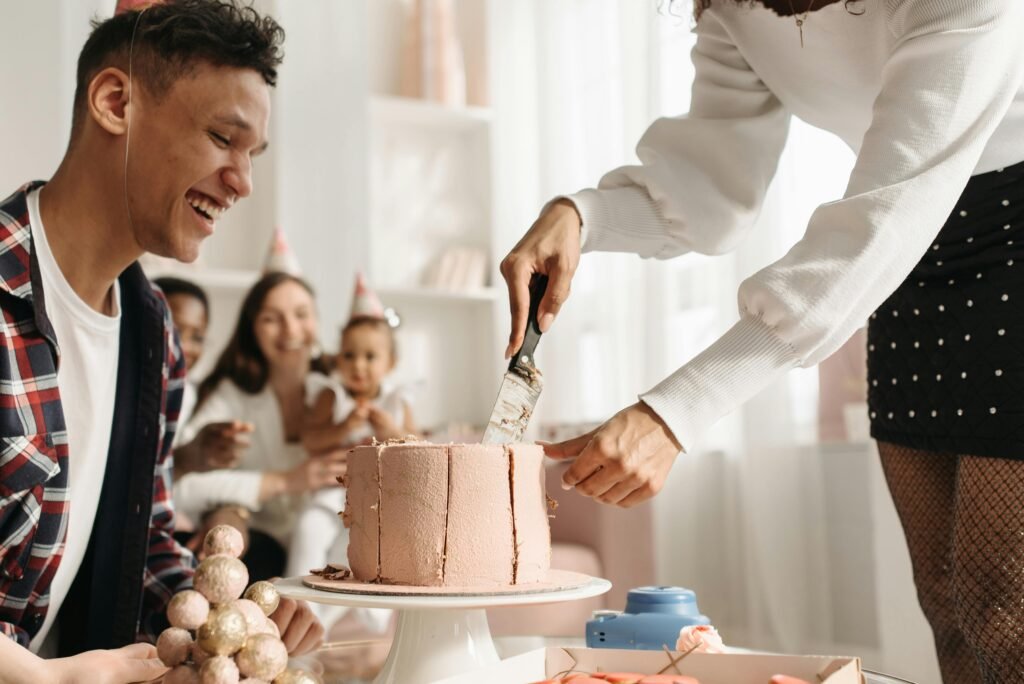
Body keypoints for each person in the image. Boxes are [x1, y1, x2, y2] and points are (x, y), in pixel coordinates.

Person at [499, 1, 1024, 681]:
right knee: (947, 608)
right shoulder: (736, 8)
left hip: (985, 238)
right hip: (908, 266)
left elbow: (881, 220)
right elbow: (709, 193)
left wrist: (675, 412)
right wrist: (581, 215)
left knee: (1002, 610)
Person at [0, 2, 324, 680]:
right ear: (116, 102)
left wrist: (230, 625)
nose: (243, 182)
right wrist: (42, 676)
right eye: (221, 137)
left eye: (252, 154)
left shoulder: (153, 335)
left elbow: (142, 548)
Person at [175, 272, 348, 581]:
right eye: (272, 318)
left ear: (317, 321)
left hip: (336, 554)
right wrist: (283, 481)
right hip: (261, 562)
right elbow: (180, 486)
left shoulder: (345, 393)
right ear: (252, 328)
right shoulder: (231, 396)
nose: (291, 329)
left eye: (301, 314)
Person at [285, 276, 415, 632]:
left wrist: (391, 432)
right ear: (337, 358)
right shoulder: (331, 395)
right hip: (331, 493)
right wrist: (342, 428)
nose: (358, 365)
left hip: (377, 499)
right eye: (349, 355)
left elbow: (416, 447)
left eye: (370, 356)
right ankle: (297, 607)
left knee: (371, 551)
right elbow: (310, 440)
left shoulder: (396, 399)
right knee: (309, 530)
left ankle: (371, 621)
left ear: (390, 362)